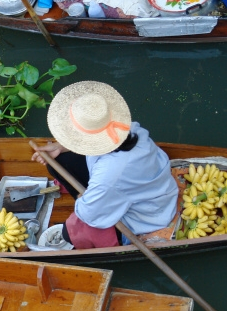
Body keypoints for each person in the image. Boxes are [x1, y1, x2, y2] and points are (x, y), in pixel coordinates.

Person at [30, 80, 179, 250]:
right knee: (59, 162)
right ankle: (96, 199)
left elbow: (87, 214)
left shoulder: (110, 173)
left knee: (69, 233)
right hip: (131, 184)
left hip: (145, 214)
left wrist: (84, 200)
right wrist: (61, 147)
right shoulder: (127, 129)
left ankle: (100, 206)